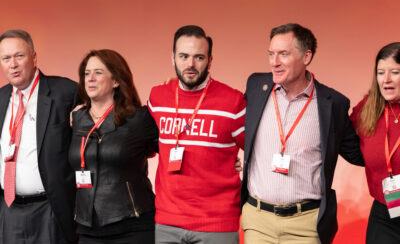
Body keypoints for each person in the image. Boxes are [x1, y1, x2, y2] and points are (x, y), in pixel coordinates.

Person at [241, 23, 364, 244]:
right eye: (271, 54)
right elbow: (229, 120)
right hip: (258, 222)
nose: (274, 62)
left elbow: (359, 154)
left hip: (305, 226)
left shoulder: (332, 103)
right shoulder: (256, 86)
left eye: (283, 54)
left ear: (306, 56)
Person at [148, 25, 246, 244]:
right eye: (183, 56)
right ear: (172, 58)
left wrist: (236, 161)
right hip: (167, 222)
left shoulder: (233, 101)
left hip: (216, 224)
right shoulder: (157, 97)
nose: (190, 64)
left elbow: (259, 150)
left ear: (210, 60)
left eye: (199, 57)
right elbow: (141, 140)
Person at [69, 49, 158, 244]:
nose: (90, 78)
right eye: (86, 73)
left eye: (98, 72)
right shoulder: (76, 119)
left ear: (116, 81)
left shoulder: (138, 118)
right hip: (87, 227)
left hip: (131, 225)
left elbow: (169, 149)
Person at [0, 29, 77, 243]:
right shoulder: (0, 98)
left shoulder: (65, 92)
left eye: (19, 56)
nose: (12, 64)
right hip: (9, 211)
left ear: (34, 57)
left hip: (50, 209)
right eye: (6, 58)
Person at [350, 42, 400, 244]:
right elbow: (339, 135)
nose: (386, 80)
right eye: (381, 72)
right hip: (385, 212)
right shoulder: (369, 107)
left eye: (395, 72)